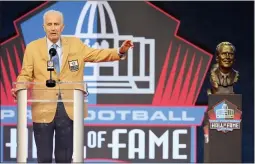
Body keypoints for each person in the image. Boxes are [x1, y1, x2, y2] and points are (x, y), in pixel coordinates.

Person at [11, 10, 133, 163]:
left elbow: (97, 54)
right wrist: (19, 88)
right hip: (43, 108)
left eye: (56, 24)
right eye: (49, 24)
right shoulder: (33, 48)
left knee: (65, 158)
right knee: (44, 157)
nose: (53, 28)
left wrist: (119, 51)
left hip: (68, 109)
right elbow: (25, 74)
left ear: (62, 27)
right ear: (44, 27)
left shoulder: (75, 44)